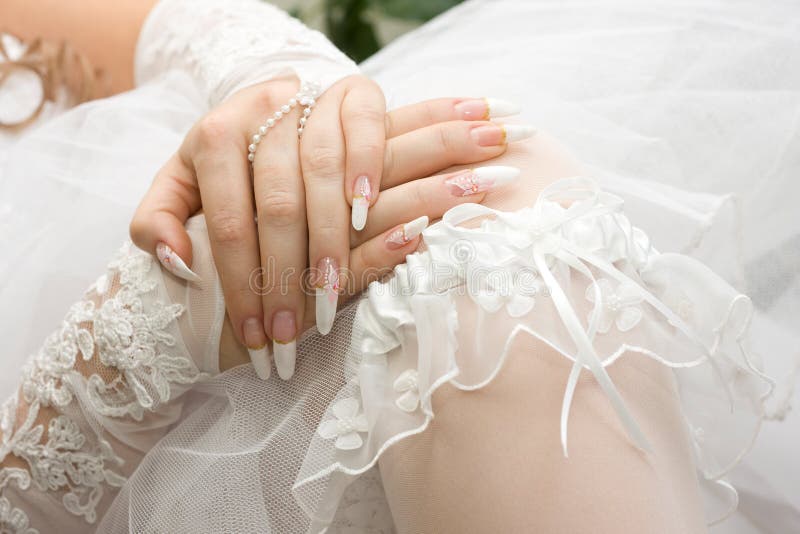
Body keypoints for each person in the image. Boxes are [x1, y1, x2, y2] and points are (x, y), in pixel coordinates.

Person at [1, 0, 795, 532]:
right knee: (466, 248)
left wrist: (305, 121)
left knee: (485, 209)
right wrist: (135, 339)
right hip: (108, 451)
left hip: (265, 297)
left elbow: (189, 24)